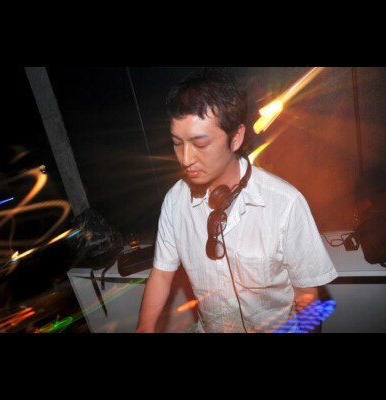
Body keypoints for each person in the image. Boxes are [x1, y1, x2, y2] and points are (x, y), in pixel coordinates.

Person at [136, 68, 338, 333]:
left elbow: (307, 296)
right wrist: (144, 327)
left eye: (200, 144)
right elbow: (162, 274)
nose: (185, 159)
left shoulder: (285, 204)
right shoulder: (175, 202)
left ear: (236, 137)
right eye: (177, 143)